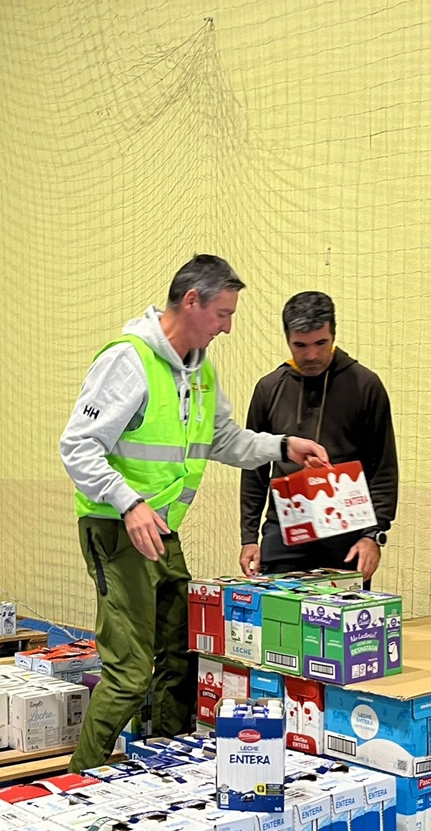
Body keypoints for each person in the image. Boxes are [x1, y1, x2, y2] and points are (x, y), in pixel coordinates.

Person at [60, 255, 328, 771]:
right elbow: (78, 446)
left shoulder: (200, 370)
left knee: (182, 653)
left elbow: (223, 439)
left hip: (162, 530)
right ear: (191, 302)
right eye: (223, 314)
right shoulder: (129, 361)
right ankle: (80, 780)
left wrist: (283, 446)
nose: (228, 326)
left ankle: (163, 763)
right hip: (118, 530)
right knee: (129, 673)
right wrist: (129, 503)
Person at [239, 291, 398, 582]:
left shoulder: (365, 386)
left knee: (340, 626)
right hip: (285, 530)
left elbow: (383, 469)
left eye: (320, 343)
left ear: (333, 336)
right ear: (287, 339)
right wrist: (249, 536)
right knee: (277, 622)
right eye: (300, 345)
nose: (311, 355)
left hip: (347, 534)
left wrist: (373, 535)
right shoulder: (269, 389)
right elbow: (254, 467)